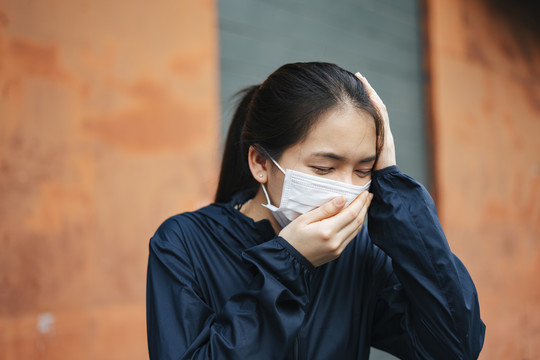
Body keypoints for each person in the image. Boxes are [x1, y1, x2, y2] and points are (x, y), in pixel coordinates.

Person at [146, 62, 485, 359]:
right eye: (324, 168)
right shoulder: (183, 243)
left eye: (364, 170)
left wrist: (392, 183)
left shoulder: (359, 252)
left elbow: (455, 347)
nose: (346, 189)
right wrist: (288, 266)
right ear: (261, 162)